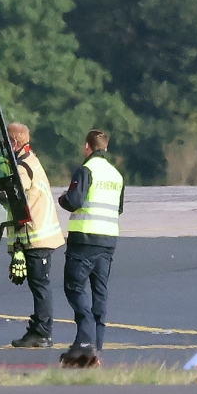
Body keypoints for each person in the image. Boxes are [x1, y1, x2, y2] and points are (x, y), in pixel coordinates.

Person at [57, 130, 124, 368]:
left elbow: (74, 201)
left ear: (87, 146)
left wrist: (62, 198)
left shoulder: (87, 170)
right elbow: (118, 209)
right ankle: (96, 346)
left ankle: (85, 339)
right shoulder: (116, 175)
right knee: (99, 293)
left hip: (85, 238)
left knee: (74, 287)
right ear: (105, 148)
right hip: (108, 240)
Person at [5, 123, 67, 348]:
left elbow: (17, 200)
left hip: (36, 237)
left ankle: (42, 331)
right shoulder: (31, 160)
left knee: (40, 285)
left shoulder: (22, 167)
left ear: (14, 143)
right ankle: (41, 328)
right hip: (38, 236)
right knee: (39, 284)